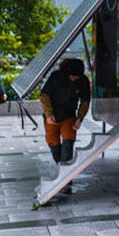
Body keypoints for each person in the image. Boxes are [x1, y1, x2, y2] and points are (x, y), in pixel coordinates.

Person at [40, 58, 91, 193]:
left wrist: (80, 118)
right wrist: (49, 114)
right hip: (52, 117)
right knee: (54, 147)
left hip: (69, 116)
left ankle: (66, 177)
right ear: (67, 73)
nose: (75, 79)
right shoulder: (56, 77)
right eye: (73, 76)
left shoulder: (83, 80)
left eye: (77, 77)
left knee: (68, 146)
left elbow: (85, 101)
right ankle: (62, 171)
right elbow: (44, 96)